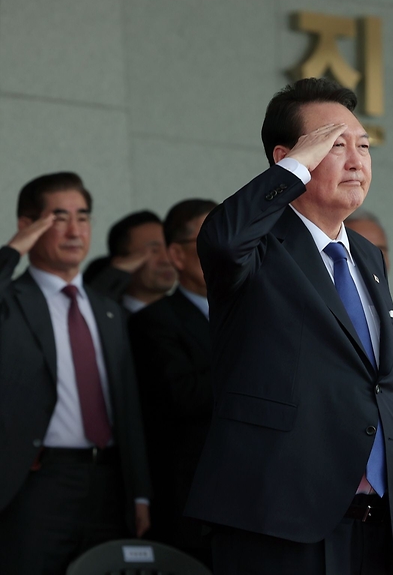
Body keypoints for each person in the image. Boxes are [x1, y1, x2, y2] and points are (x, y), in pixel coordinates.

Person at [184, 77, 393, 575]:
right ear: (291, 158)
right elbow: (220, 242)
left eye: (364, 146)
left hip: (378, 521)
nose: (356, 160)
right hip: (279, 515)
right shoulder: (257, 244)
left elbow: (377, 387)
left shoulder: (368, 256)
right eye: (334, 146)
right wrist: (292, 170)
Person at [0, 172, 151, 575]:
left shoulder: (107, 308)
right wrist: (13, 251)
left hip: (109, 481)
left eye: (82, 217)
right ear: (28, 225)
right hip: (37, 483)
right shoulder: (11, 303)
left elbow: (128, 407)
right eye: (58, 217)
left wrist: (140, 493)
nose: (74, 230)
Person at [128, 198, 218, 566]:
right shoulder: (155, 321)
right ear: (176, 256)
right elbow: (183, 397)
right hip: (194, 502)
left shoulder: (259, 314)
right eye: (209, 239)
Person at [85, 210, 177, 313]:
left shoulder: (185, 313)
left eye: (168, 248)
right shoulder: (108, 316)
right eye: (154, 251)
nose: (166, 260)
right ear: (123, 262)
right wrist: (115, 272)